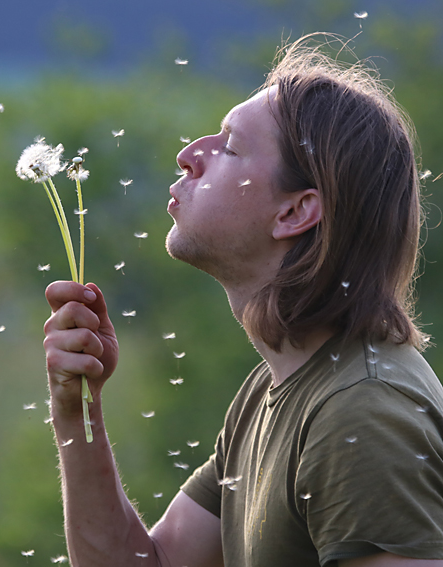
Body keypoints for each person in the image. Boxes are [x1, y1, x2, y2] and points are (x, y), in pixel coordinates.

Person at [42, 34, 443, 567]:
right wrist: (77, 410)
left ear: (294, 213)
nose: (188, 156)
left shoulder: (363, 413)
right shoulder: (276, 389)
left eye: (229, 147)